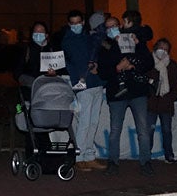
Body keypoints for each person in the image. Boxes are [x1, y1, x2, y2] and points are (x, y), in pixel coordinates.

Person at [97, 14, 154, 176]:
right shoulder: (105, 46)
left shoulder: (132, 39)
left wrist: (133, 64)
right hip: (116, 94)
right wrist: (117, 68)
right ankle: (113, 162)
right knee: (115, 130)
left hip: (137, 92)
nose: (112, 29)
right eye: (108, 27)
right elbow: (102, 72)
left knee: (143, 129)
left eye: (115, 25)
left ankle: (146, 162)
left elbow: (148, 62)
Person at [66, 10, 105, 171]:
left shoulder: (90, 38)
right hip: (83, 86)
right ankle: (78, 156)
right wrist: (77, 85)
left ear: (83, 23)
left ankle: (89, 155)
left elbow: (97, 56)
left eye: (78, 22)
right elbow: (71, 64)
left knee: (93, 122)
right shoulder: (67, 41)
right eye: (72, 23)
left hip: (96, 84)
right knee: (84, 122)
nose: (76, 25)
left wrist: (98, 68)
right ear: (69, 24)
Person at [147, 37, 177, 163]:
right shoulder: (149, 63)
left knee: (167, 130)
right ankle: (146, 154)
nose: (163, 51)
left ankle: (169, 154)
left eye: (166, 49)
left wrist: (170, 98)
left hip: (166, 104)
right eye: (161, 48)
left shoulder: (172, 65)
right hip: (151, 104)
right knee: (149, 130)